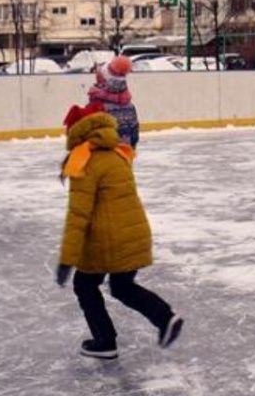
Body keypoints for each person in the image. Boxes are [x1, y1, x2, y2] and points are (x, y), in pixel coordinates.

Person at [55, 110, 183, 359]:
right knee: (122, 286)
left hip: (109, 240)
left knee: (84, 284)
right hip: (133, 234)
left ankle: (105, 342)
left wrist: (66, 260)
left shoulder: (84, 161)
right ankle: (166, 318)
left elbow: (77, 217)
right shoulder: (116, 153)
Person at [63, 55, 139, 151]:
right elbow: (134, 137)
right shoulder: (130, 106)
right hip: (124, 157)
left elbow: (84, 137)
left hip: (104, 157)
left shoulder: (97, 107)